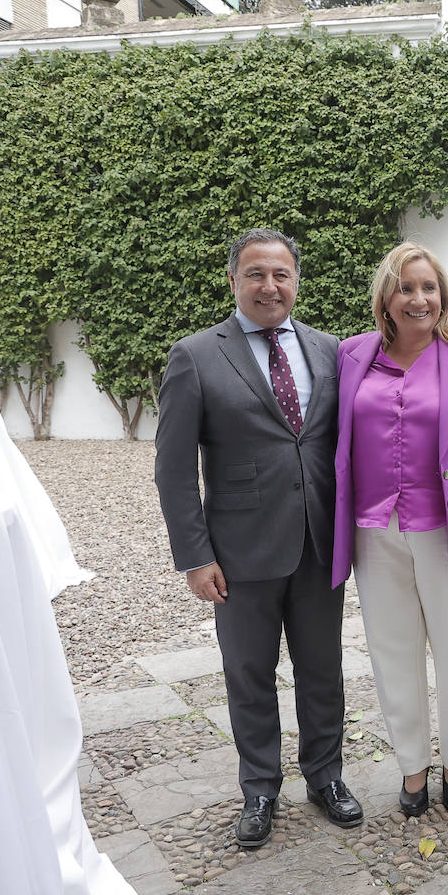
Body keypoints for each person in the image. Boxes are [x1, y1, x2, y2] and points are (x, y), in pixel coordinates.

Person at [155, 228, 362, 849]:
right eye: (256, 274)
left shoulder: (330, 351)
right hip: (240, 552)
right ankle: (260, 788)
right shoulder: (195, 355)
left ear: (296, 281)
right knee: (249, 673)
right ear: (235, 280)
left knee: (323, 670)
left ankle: (325, 776)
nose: (270, 286)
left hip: (319, 543)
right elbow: (172, 466)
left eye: (281, 274)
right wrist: (194, 555)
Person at [330, 241, 448, 817]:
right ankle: (413, 769)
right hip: (373, 528)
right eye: (406, 287)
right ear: (386, 297)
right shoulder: (352, 355)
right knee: (392, 653)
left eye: (428, 287)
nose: (419, 298)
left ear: (443, 295)